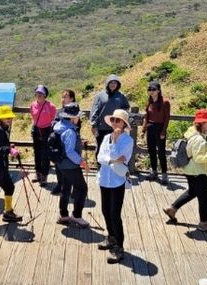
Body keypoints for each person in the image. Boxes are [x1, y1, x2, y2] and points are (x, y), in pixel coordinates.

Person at [162, 109, 207, 233]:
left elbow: (196, 154)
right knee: (204, 197)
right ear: (202, 123)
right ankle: (204, 223)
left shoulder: (193, 134)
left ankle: (172, 209)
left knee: (193, 192)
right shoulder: (199, 139)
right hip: (196, 171)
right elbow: (199, 158)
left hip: (191, 169)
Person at [96, 109, 133, 264]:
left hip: (117, 180)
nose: (115, 123)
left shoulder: (127, 140)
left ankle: (119, 246)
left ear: (124, 124)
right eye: (113, 120)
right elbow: (100, 157)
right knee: (105, 210)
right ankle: (111, 237)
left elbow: (121, 157)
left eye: (118, 120)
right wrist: (111, 160)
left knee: (115, 213)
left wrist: (115, 143)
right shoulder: (106, 137)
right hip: (105, 178)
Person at [53, 103, 89, 228]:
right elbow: (70, 151)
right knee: (82, 188)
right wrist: (81, 161)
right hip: (70, 165)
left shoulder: (59, 126)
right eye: (78, 116)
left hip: (60, 164)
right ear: (73, 117)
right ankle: (77, 216)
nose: (79, 118)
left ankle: (63, 215)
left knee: (65, 189)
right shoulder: (70, 131)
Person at [90, 75, 130, 157]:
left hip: (115, 127)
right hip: (102, 127)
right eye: (111, 82)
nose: (113, 84)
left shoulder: (121, 96)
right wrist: (93, 125)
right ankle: (100, 167)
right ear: (107, 84)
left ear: (118, 84)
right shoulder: (100, 96)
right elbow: (94, 110)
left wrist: (122, 121)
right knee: (101, 148)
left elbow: (126, 107)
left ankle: (111, 167)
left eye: (115, 83)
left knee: (113, 148)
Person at [142, 81, 171, 184]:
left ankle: (164, 174)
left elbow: (167, 118)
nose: (151, 91)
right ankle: (154, 172)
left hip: (160, 128)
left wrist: (163, 131)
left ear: (159, 90)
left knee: (161, 153)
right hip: (150, 128)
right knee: (151, 151)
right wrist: (144, 129)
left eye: (153, 89)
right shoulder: (149, 102)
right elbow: (146, 117)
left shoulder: (165, 102)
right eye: (149, 89)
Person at [51, 89, 79, 196]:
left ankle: (72, 188)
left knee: (71, 165)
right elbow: (54, 122)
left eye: (66, 97)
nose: (63, 99)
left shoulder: (75, 111)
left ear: (72, 98)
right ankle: (60, 184)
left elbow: (76, 126)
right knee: (59, 165)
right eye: (62, 97)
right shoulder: (60, 111)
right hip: (58, 143)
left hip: (70, 140)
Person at [29, 85, 57, 186]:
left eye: (41, 93)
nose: (39, 95)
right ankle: (38, 173)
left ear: (45, 95)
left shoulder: (51, 106)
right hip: (36, 130)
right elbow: (33, 116)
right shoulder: (32, 105)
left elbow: (53, 118)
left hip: (47, 131)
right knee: (37, 153)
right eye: (37, 93)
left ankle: (44, 175)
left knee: (45, 154)